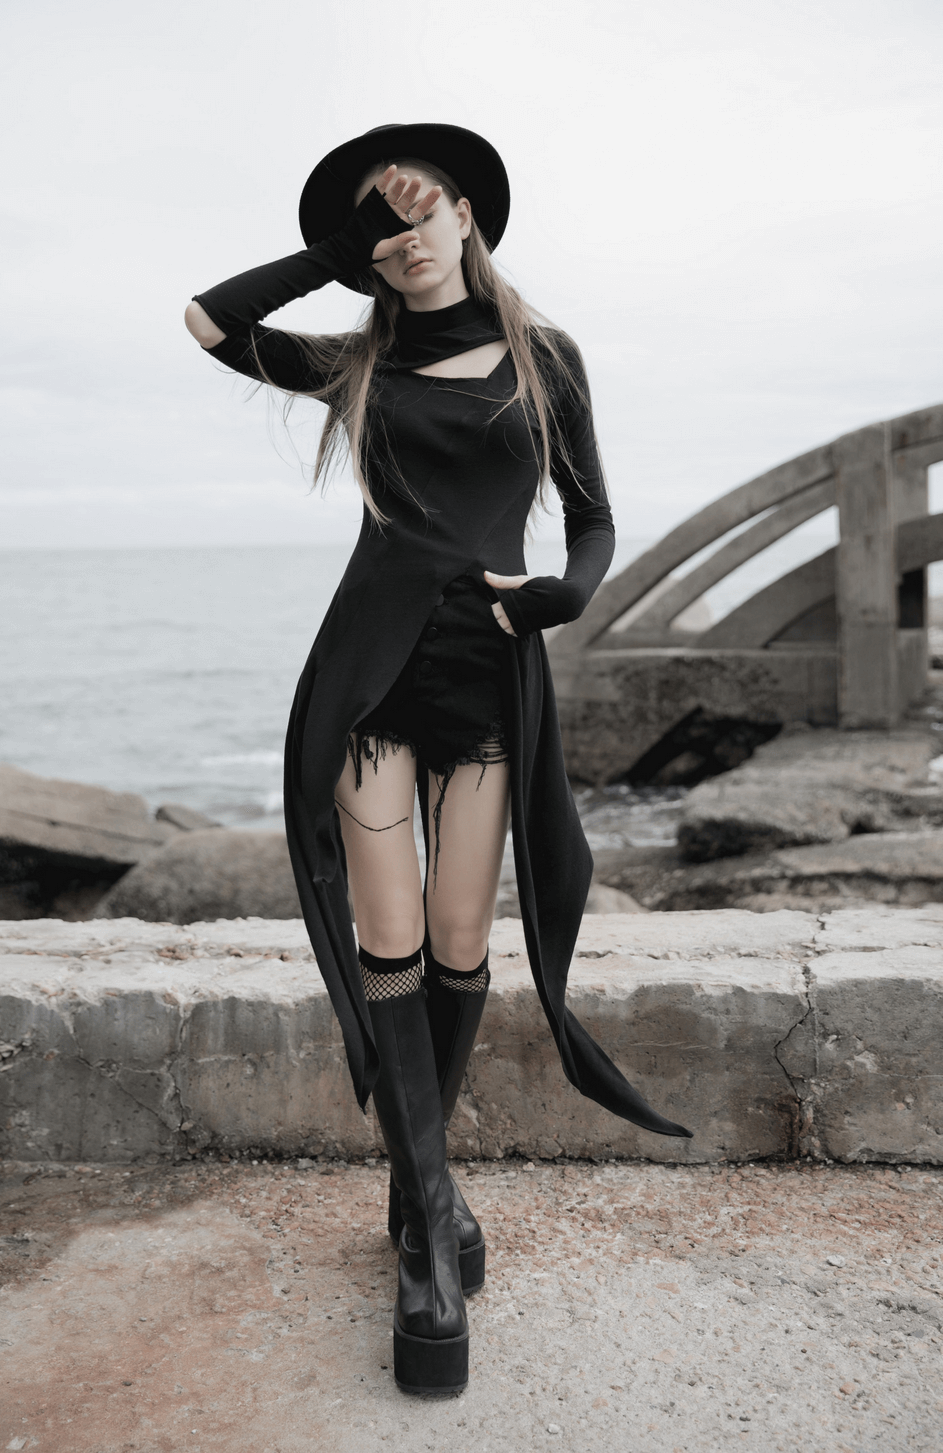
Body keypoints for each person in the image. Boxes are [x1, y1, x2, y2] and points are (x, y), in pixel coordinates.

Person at [185, 122, 691, 1398]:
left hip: (489, 668)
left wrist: (563, 600)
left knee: (465, 946)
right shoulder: (352, 364)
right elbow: (202, 322)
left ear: (469, 215)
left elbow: (592, 517)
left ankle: (417, 1194)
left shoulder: (545, 357)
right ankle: (428, 1241)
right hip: (371, 672)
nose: (403, 239)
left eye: (419, 211)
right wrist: (334, 247)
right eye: (381, 228)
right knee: (393, 943)